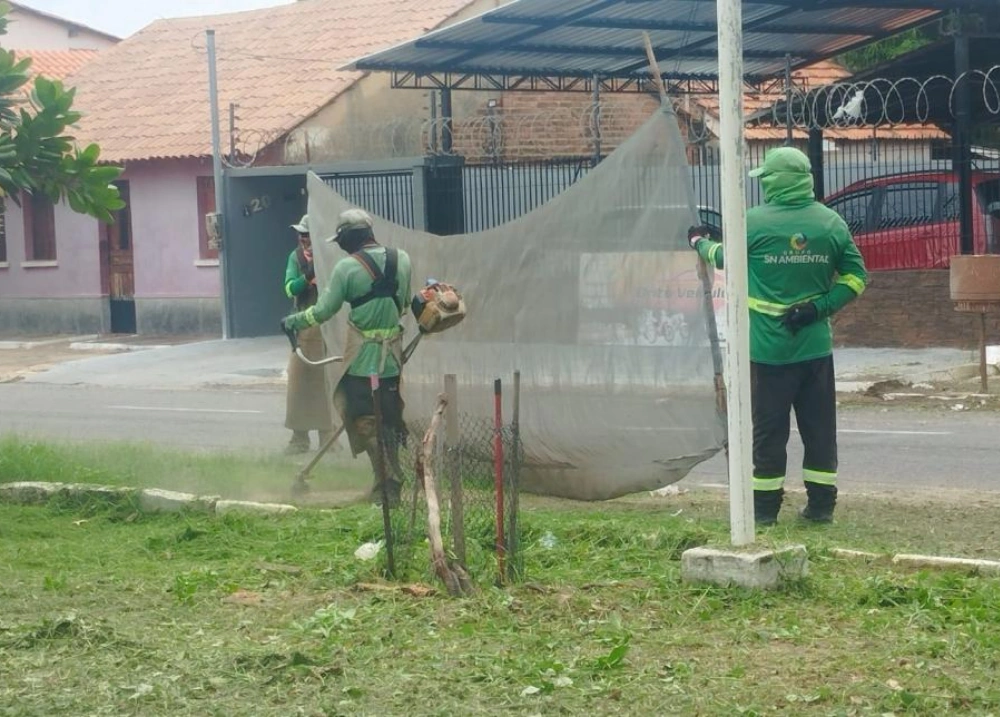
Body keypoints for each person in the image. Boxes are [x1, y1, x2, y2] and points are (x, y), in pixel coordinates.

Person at [687, 147, 868, 525]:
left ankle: (765, 513)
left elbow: (723, 257)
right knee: (819, 432)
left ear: (773, 182)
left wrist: (699, 242)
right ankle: (821, 508)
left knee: (769, 434)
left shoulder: (752, 223)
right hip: (816, 351)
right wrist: (819, 308)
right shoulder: (831, 223)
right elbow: (855, 278)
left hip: (768, 354)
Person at [281, 208, 412, 506]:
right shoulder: (401, 259)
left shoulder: (346, 269)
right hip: (392, 359)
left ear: (349, 238)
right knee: (388, 420)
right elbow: (404, 303)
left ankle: (387, 486)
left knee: (363, 419)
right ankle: (389, 483)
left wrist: (294, 321)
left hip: (363, 362)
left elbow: (324, 310)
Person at [282, 214, 335, 454]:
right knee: (299, 382)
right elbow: (289, 288)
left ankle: (328, 437)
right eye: (301, 235)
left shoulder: (329, 258)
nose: (304, 239)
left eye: (308, 234)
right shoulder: (295, 258)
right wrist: (306, 278)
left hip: (327, 326)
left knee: (327, 383)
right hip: (303, 327)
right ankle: (299, 438)